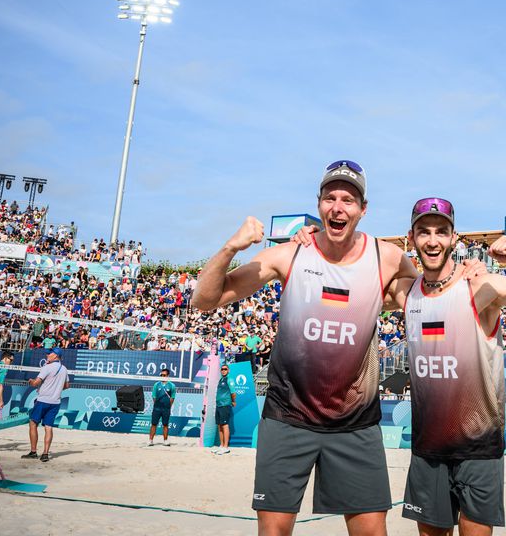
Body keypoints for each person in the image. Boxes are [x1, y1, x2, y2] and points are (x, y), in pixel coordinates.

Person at [191, 160, 422, 536]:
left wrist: (463, 272)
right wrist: (231, 247)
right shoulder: (290, 255)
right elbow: (204, 300)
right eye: (330, 197)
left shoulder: (386, 257)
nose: (338, 207)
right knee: (275, 531)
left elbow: (422, 294)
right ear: (318, 204)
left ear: (364, 209)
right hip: (288, 418)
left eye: (348, 200)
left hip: (355, 423)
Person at [397, 198, 506, 536]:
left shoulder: (480, 286)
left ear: (454, 238)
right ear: (411, 237)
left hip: (478, 446)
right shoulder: (407, 293)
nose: (432, 240)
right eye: (423, 232)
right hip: (427, 446)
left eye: (441, 232)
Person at [25, 349, 69, 462]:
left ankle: (33, 452)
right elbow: (67, 386)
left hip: (43, 400)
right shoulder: (64, 369)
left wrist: (30, 381)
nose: (47, 355)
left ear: (56, 356)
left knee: (33, 423)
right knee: (48, 427)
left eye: (50, 353)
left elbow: (36, 383)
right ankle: (45, 454)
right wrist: (56, 388)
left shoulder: (47, 367)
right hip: (55, 402)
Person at [147, 367, 176, 446]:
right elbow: (154, 396)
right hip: (157, 408)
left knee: (165, 425)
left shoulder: (172, 385)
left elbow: (172, 397)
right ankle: (150, 440)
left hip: (166, 409)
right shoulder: (156, 384)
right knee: (153, 424)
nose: (162, 376)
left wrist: (168, 405)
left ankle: (165, 440)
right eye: (161, 375)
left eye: (164, 375)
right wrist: (157, 404)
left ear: (167, 376)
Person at [213, 362, 236, 454]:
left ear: (228, 370)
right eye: (222, 369)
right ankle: (221, 445)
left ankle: (226, 447)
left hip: (225, 405)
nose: (223, 370)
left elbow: (233, 393)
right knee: (219, 425)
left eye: (225, 369)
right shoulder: (221, 379)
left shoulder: (229, 379)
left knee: (225, 425)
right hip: (218, 405)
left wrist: (233, 401)